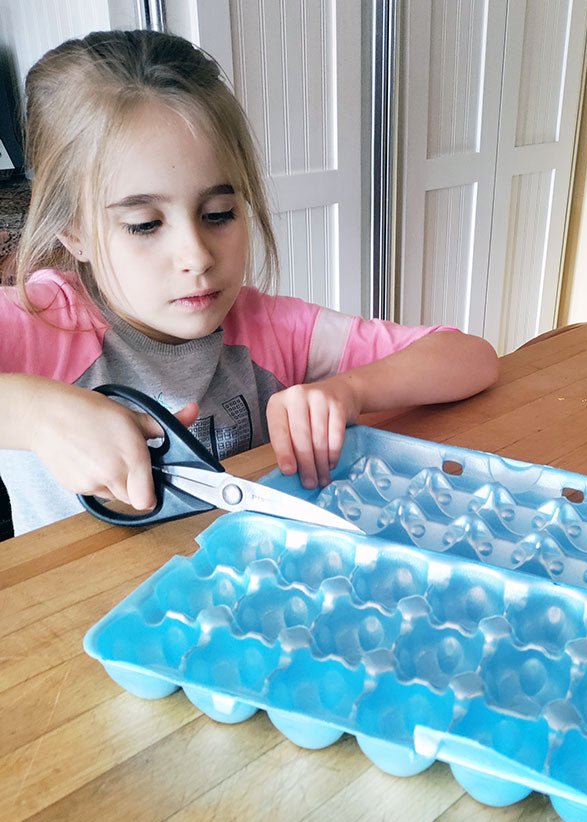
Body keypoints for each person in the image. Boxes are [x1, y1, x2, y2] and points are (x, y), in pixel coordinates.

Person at [0, 29, 499, 537]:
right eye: (146, 225)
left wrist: (349, 390)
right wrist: (35, 414)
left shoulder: (268, 329)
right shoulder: (37, 324)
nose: (196, 255)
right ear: (75, 233)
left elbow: (470, 357)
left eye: (219, 213)